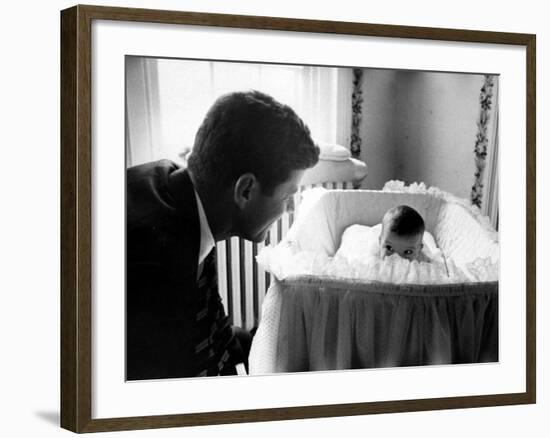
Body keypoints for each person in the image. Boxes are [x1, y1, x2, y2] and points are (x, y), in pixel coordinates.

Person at [126, 90, 320, 380]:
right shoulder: (157, 267)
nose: (291, 209)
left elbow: (207, 327)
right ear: (245, 190)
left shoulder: (191, 197)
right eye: (288, 196)